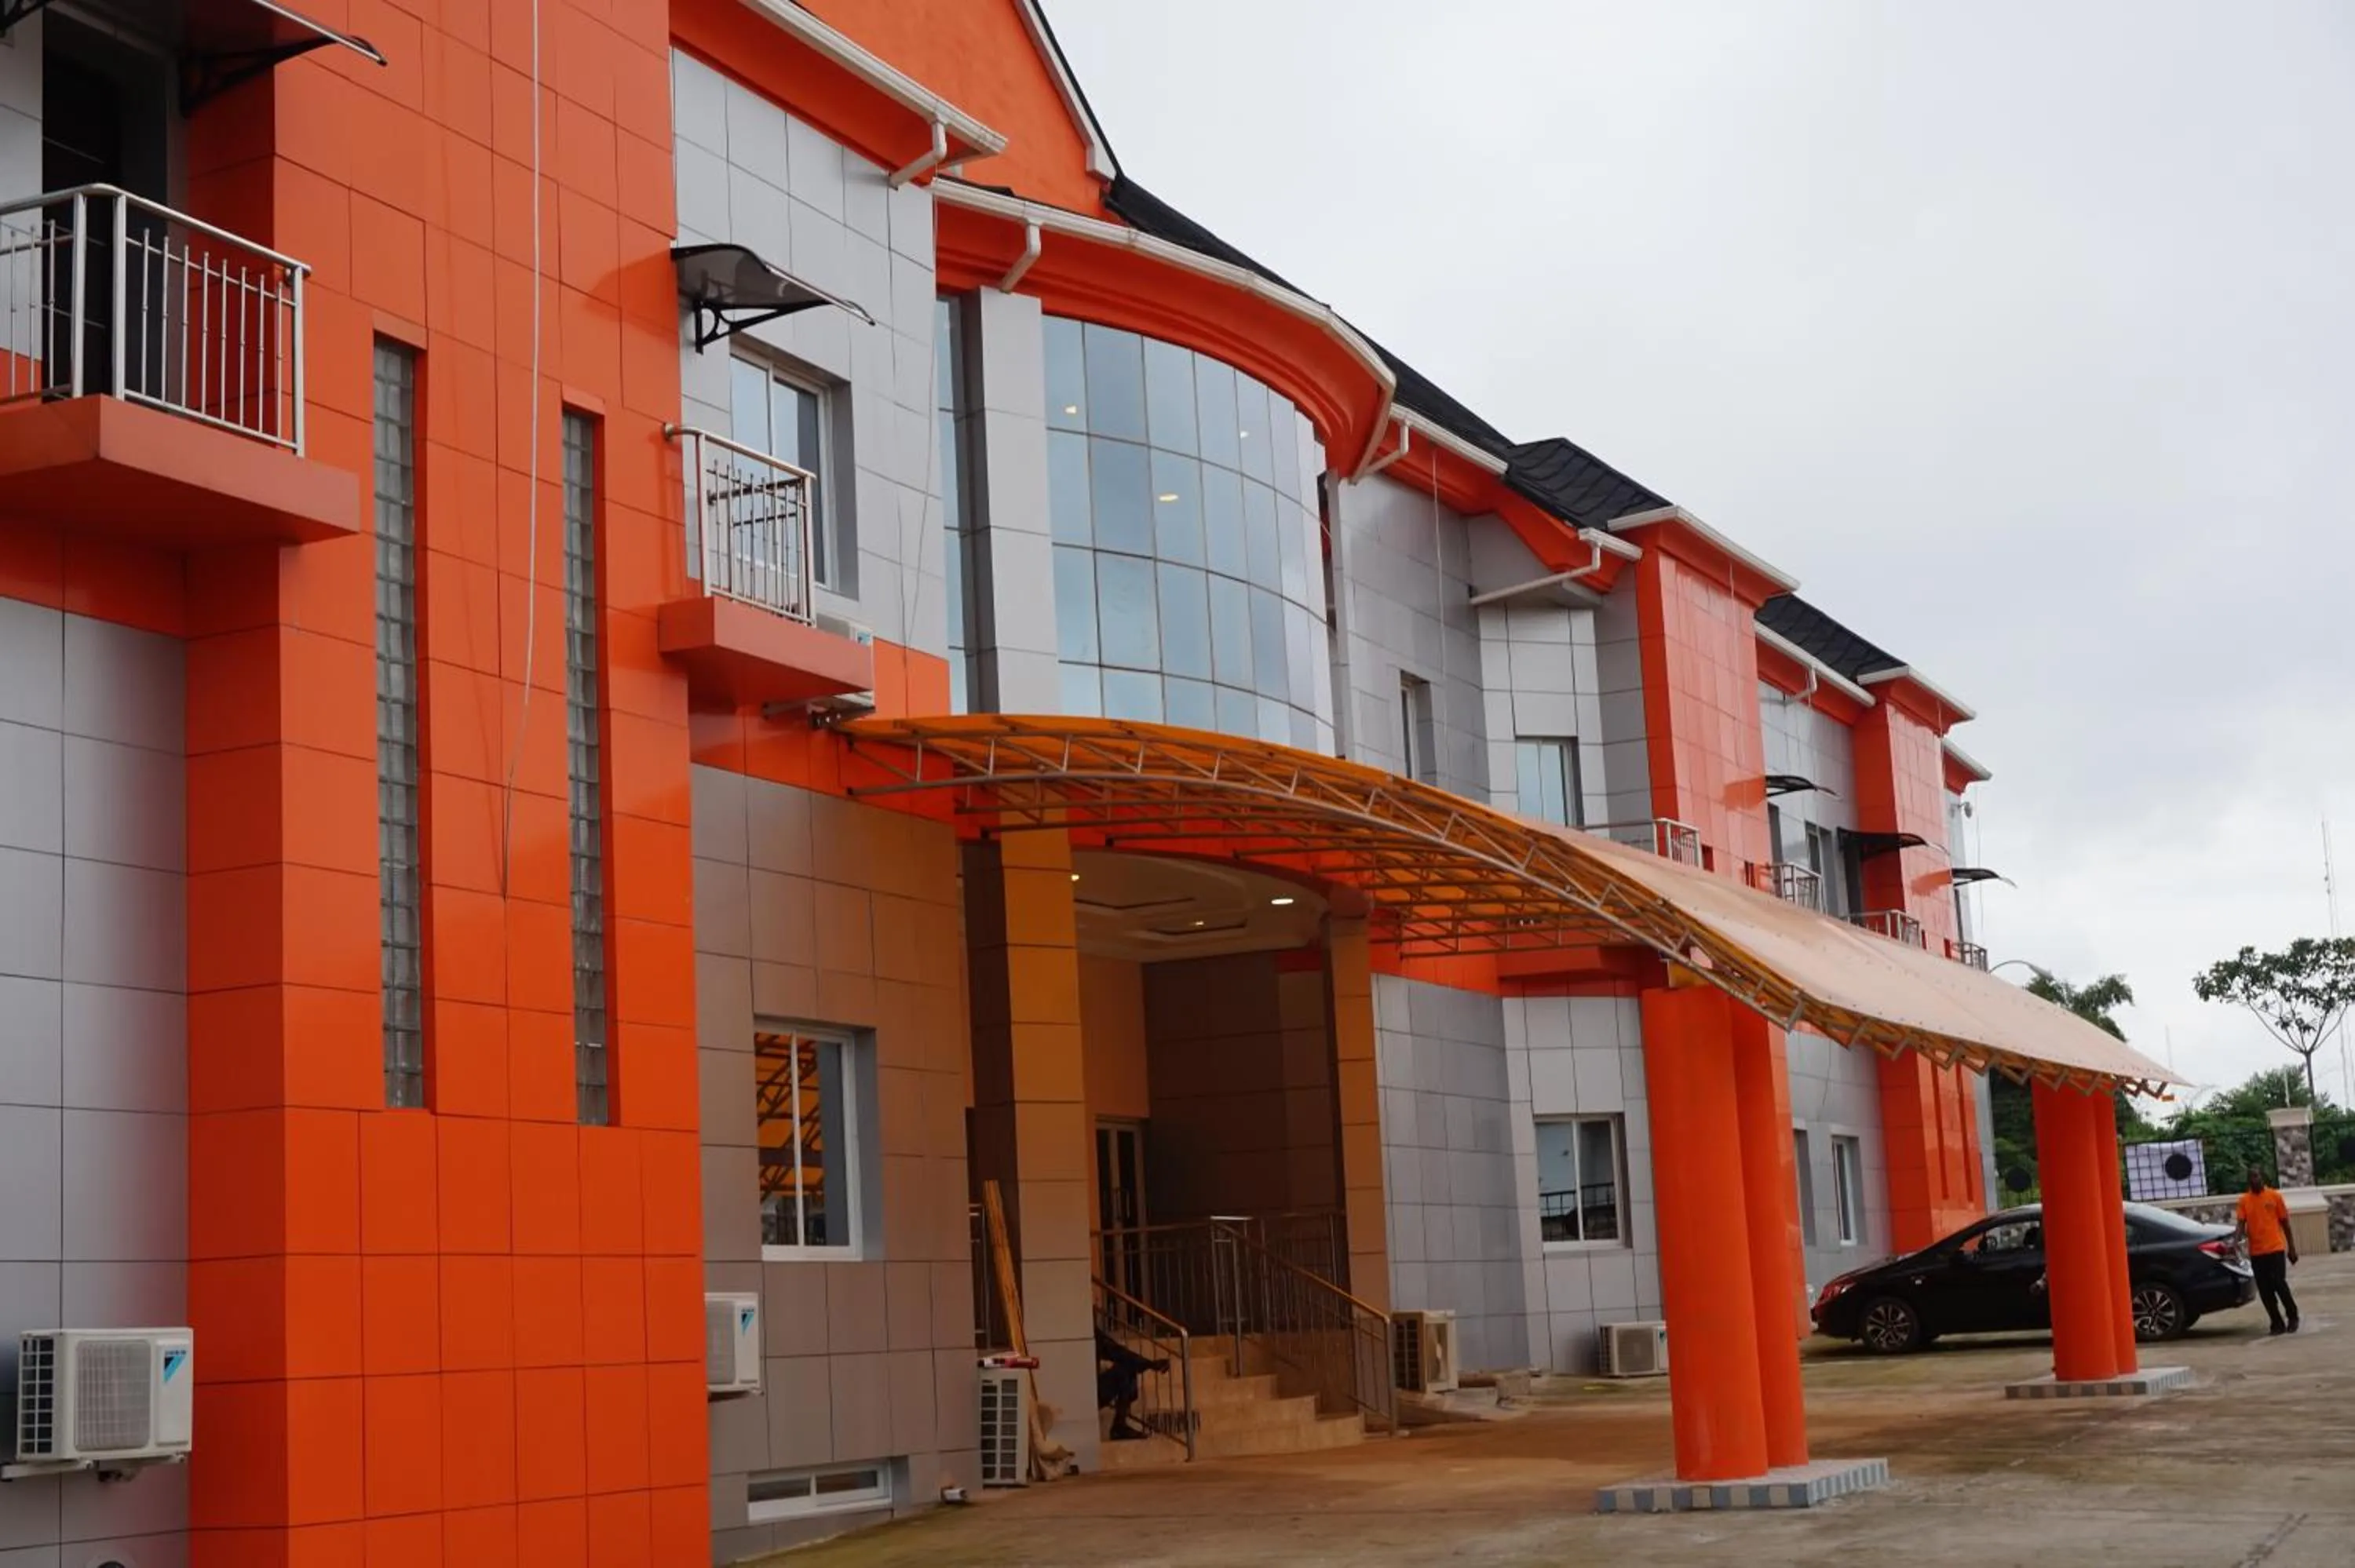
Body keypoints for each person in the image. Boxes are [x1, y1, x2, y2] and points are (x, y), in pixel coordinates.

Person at [2235, 1165, 2299, 1335]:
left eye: (2257, 1176)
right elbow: (2241, 1225)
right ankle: (2276, 1322)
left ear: (2262, 1177)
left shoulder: (2274, 1197)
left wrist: (2292, 1249)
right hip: (2257, 1253)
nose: (2254, 1180)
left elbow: (2285, 1224)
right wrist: (2235, 1244)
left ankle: (2292, 1316)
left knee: (2279, 1283)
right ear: (2248, 1181)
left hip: (2275, 1248)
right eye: (2251, 1177)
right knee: (2265, 1290)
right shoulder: (2244, 1201)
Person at [1094, 1328, 1170, 1441]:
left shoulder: (1092, 1333)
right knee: (1124, 1371)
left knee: (1128, 1368)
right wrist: (1150, 1364)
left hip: (1091, 1390)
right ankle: (1119, 1427)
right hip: (1080, 1395)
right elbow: (1116, 1351)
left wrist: (1149, 1364)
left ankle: (1120, 1426)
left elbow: (1117, 1352)